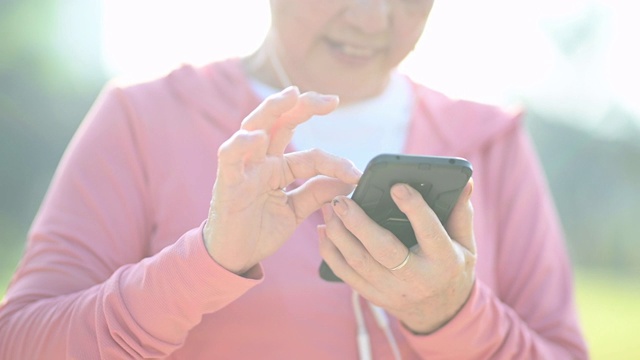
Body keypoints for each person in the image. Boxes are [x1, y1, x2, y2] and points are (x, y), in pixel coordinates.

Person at [0, 0, 589, 359]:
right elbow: (20, 344)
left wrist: (453, 314)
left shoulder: (488, 140)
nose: (372, 18)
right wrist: (206, 262)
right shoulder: (144, 117)